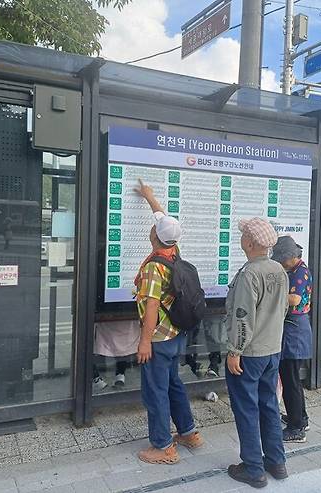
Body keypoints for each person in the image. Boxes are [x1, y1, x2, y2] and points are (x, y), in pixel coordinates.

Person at [132, 179, 203, 464]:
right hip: (176, 335)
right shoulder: (174, 253)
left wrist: (144, 341)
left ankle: (162, 446)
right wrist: (150, 198)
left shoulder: (154, 267)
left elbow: (150, 305)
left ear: (154, 236)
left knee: (156, 391)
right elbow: (164, 221)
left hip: (158, 339)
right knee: (173, 383)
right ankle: (188, 432)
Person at [224, 218, 289, 489]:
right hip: (272, 349)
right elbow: (283, 309)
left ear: (250, 243)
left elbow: (242, 317)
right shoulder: (279, 270)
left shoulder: (249, 274)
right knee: (269, 406)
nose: (241, 239)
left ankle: (253, 469)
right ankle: (276, 462)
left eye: (243, 236)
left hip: (249, 353)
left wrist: (234, 351)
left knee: (247, 409)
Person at [272, 236, 313, 443]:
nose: (279, 263)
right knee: (293, 380)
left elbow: (294, 299)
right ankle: (300, 418)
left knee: (291, 381)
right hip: (295, 330)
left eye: (281, 259)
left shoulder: (299, 273)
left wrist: (269, 295)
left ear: (290, 257)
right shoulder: (297, 269)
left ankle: (296, 429)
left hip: (294, 332)